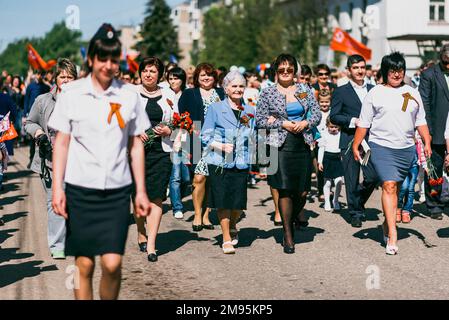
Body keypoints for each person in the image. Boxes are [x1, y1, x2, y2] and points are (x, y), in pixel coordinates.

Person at [49, 23, 151, 299]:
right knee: (84, 264)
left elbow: (135, 145)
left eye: (113, 59)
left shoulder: (129, 95)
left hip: (117, 190)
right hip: (81, 190)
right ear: (91, 59)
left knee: (113, 263)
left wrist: (140, 191)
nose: (108, 65)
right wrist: (58, 189)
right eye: (102, 59)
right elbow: (61, 142)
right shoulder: (72, 94)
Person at [353, 52, 431, 255]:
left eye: (400, 71)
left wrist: (427, 141)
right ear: (386, 72)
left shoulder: (412, 92)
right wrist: (356, 144)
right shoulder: (375, 93)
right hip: (381, 147)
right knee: (388, 185)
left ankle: (386, 225)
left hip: (405, 148)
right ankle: (393, 234)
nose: (397, 74)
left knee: (395, 188)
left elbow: (420, 120)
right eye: (393, 71)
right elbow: (364, 122)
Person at [256, 53, 321, 254]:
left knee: (302, 191)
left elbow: (317, 113)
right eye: (282, 69)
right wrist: (281, 123)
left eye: (289, 69)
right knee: (284, 189)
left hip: (302, 143)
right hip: (278, 145)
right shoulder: (267, 93)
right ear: (276, 71)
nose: (286, 73)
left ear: (295, 71)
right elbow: (259, 120)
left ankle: (291, 218)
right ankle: (287, 234)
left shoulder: (304, 90)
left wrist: (306, 122)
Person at [25, 58, 77, 260]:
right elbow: (29, 122)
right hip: (50, 160)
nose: (65, 80)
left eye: (69, 77)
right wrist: (38, 133)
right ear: (55, 78)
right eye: (62, 76)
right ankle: (57, 245)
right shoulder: (43, 100)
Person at [201, 71, 256, 254]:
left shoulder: (249, 110)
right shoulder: (215, 109)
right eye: (234, 86)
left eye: (241, 86)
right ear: (226, 89)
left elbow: (253, 135)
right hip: (219, 161)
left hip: (241, 160)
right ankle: (225, 238)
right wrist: (220, 145)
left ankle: (233, 223)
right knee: (223, 200)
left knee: (238, 203)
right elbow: (204, 136)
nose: (238, 89)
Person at [136, 57, 179, 262]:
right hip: (136, 152)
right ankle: (140, 230)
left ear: (159, 74)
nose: (148, 74)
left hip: (161, 151)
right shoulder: (131, 94)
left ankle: (151, 244)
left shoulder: (169, 95)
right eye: (145, 70)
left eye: (152, 71)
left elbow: (179, 122)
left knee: (157, 196)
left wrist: (169, 129)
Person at [329, 54, 379, 228]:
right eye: (356, 68)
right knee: (351, 177)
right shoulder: (341, 91)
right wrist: (353, 121)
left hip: (371, 140)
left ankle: (358, 201)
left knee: (373, 176)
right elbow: (334, 116)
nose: (359, 71)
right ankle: (355, 212)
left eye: (362, 67)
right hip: (350, 139)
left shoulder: (374, 89)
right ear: (349, 70)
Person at [178, 63, 225, 231]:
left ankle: (206, 215)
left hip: (218, 140)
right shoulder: (189, 93)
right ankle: (197, 215)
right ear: (197, 77)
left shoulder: (221, 93)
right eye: (203, 75)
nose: (206, 78)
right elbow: (183, 117)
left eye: (210, 75)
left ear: (215, 77)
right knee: (198, 178)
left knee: (211, 178)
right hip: (196, 140)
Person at [419, 44, 449, 220]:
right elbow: (425, 104)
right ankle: (434, 204)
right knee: (434, 169)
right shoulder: (429, 74)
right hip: (436, 130)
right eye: (446, 62)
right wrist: (427, 132)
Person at [167, 67, 190, 220]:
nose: (173, 81)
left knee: (187, 177)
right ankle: (177, 206)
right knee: (175, 175)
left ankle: (179, 196)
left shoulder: (188, 95)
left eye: (176, 78)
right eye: (170, 78)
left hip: (187, 137)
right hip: (170, 136)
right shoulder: (165, 94)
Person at [24, 70, 51, 167]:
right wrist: (24, 115)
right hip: (32, 115)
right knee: (33, 140)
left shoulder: (46, 87)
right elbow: (26, 100)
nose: (40, 76)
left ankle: (45, 160)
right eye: (38, 74)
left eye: (42, 74)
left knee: (44, 139)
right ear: (36, 75)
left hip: (43, 116)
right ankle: (31, 159)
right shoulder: (31, 86)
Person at [318, 118, 344, 212]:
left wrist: (342, 157)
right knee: (327, 182)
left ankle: (335, 200)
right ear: (327, 126)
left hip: (337, 159)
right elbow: (321, 148)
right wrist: (320, 162)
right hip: (327, 159)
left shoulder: (341, 134)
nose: (333, 129)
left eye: (335, 127)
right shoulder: (324, 134)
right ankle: (327, 201)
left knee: (339, 181)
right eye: (331, 127)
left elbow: (342, 148)